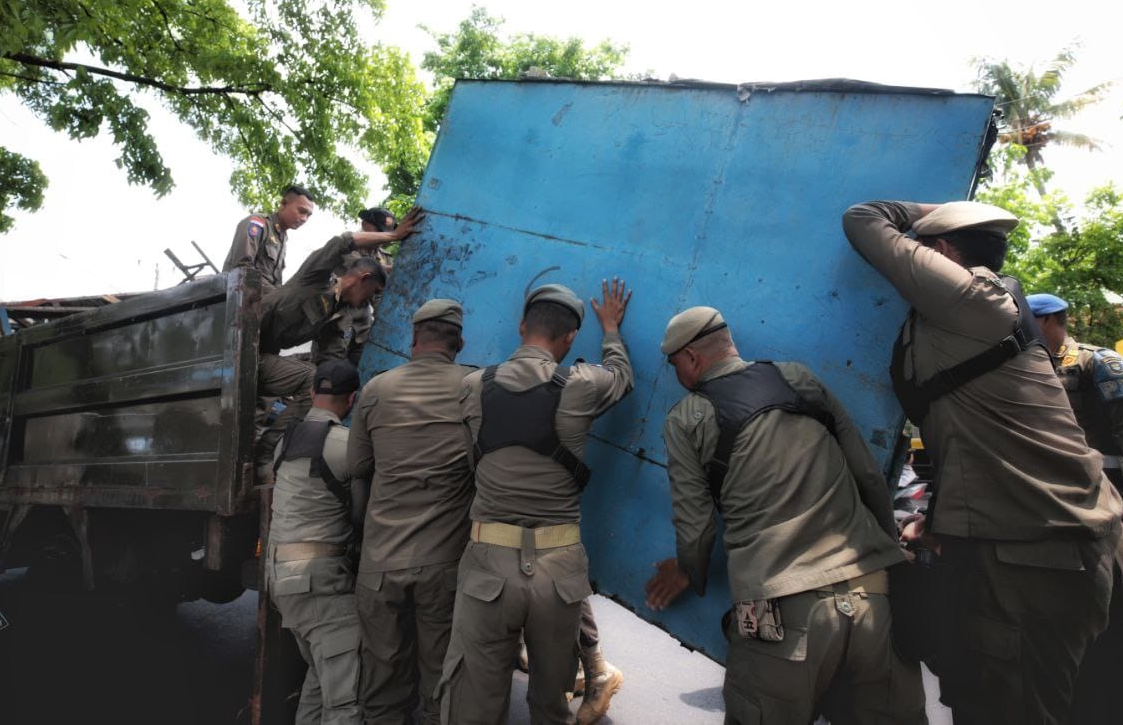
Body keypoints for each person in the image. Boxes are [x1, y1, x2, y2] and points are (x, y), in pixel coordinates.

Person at [843, 199, 1123, 725]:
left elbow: (862, 218)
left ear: (938, 252)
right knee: (1099, 711)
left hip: (1035, 558)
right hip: (1099, 538)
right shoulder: (999, 305)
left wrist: (938, 206)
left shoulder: (965, 294)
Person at [644, 307, 924, 725]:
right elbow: (866, 472)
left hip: (781, 614)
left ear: (691, 359)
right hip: (874, 601)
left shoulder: (686, 419)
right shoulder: (797, 377)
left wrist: (688, 571)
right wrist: (888, 551)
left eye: (674, 366)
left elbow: (696, 524)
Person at [438, 280, 634, 725]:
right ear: (569, 339)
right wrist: (610, 330)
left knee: (473, 705)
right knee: (550, 706)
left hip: (488, 565)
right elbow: (622, 377)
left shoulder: (472, 385)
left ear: (522, 325)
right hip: (558, 572)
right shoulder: (583, 383)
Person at [1030, 291, 1123, 719]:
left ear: (1051, 320)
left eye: (1030, 322)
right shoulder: (1037, 366)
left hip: (1114, 500)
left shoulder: (1101, 364)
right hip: (1068, 504)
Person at [347, 298, 475, 725]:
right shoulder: (475, 387)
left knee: (382, 689)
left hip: (380, 561)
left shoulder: (376, 390)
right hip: (443, 565)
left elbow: (358, 469)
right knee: (443, 686)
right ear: (458, 342)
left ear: (415, 337)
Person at [266, 359, 367, 725]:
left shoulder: (284, 442)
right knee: (345, 700)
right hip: (320, 583)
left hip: (282, 579)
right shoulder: (346, 446)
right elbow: (360, 515)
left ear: (311, 393)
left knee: (319, 683)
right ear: (352, 399)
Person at [254, 257, 386, 476]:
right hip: (240, 349)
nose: (370, 299)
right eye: (372, 291)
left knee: (315, 382)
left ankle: (267, 449)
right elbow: (338, 245)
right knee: (309, 380)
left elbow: (331, 359)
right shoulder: (317, 281)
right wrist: (391, 237)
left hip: (264, 357)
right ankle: (265, 452)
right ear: (364, 279)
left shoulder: (341, 315)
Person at [290, 207, 424, 366]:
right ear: (366, 224)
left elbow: (380, 295)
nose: (382, 238)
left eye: (385, 232)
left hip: (362, 326)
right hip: (336, 323)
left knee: (358, 370)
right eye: (379, 231)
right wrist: (395, 266)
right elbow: (361, 267)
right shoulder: (349, 248)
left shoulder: (384, 257)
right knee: (326, 371)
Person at [222, 185, 316, 291]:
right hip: (238, 298)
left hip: (263, 300)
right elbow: (242, 268)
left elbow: (276, 281)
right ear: (283, 204)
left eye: (308, 215)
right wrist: (277, 296)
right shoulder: (258, 224)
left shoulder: (282, 238)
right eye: (302, 211)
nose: (304, 219)